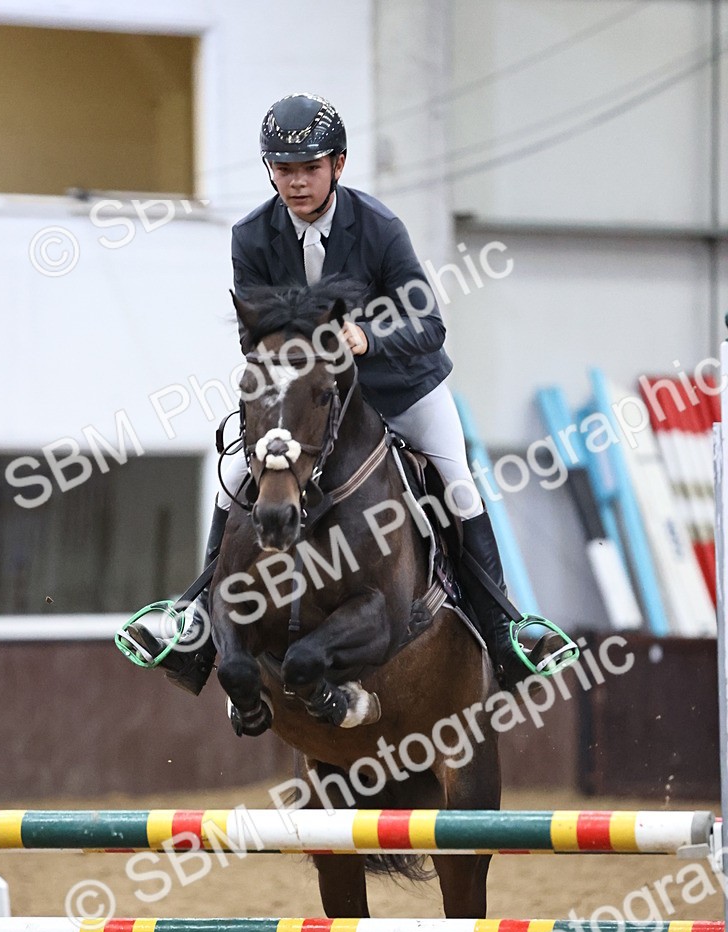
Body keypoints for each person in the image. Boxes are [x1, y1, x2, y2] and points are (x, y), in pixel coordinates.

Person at [163, 92, 565, 697]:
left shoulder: (377, 227)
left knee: (457, 482)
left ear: (339, 165)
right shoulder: (251, 237)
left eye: (309, 167)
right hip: (307, 398)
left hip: (399, 388)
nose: (296, 182)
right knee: (235, 480)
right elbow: (256, 331)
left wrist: (366, 337)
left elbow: (430, 323)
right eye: (284, 169)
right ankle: (197, 617)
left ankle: (503, 629)